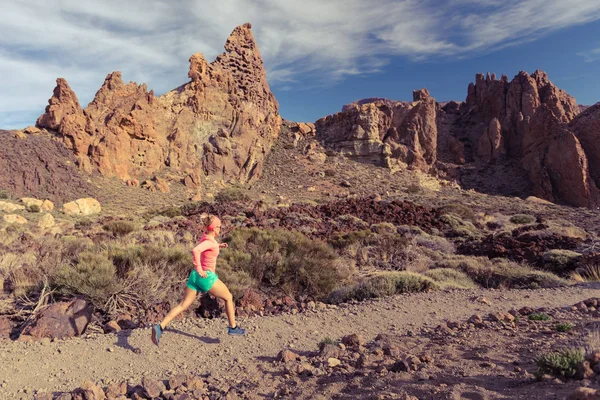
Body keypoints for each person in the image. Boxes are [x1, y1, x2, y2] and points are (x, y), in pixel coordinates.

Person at [151, 214, 245, 345]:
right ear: (213, 228)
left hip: (194, 277)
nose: (220, 229)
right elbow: (195, 250)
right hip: (205, 277)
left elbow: (207, 246)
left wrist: (218, 246)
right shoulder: (209, 241)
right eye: (219, 227)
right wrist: (200, 268)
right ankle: (233, 328)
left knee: (183, 305)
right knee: (228, 297)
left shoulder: (207, 238)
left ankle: (160, 327)